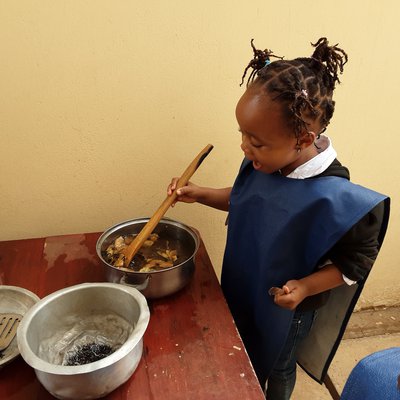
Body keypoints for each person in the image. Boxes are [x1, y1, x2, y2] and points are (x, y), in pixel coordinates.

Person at [167, 38, 390, 399]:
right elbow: (246, 200)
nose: (244, 147)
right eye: (243, 134)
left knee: (279, 365)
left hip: (291, 309)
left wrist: (305, 287)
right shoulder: (268, 159)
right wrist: (200, 193)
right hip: (247, 281)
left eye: (255, 141)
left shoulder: (340, 200)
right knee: (243, 345)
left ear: (303, 138)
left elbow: (355, 265)